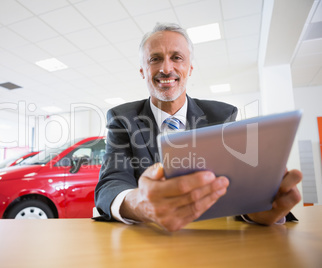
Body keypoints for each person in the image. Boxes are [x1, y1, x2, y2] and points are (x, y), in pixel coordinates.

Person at [94, 22, 302, 232]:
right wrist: (140, 204)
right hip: (150, 240)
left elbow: (234, 185)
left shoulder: (222, 116)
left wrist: (254, 208)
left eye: (177, 57)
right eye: (155, 59)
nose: (166, 69)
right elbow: (111, 182)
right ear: (143, 71)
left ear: (190, 68)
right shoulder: (121, 118)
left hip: (210, 238)